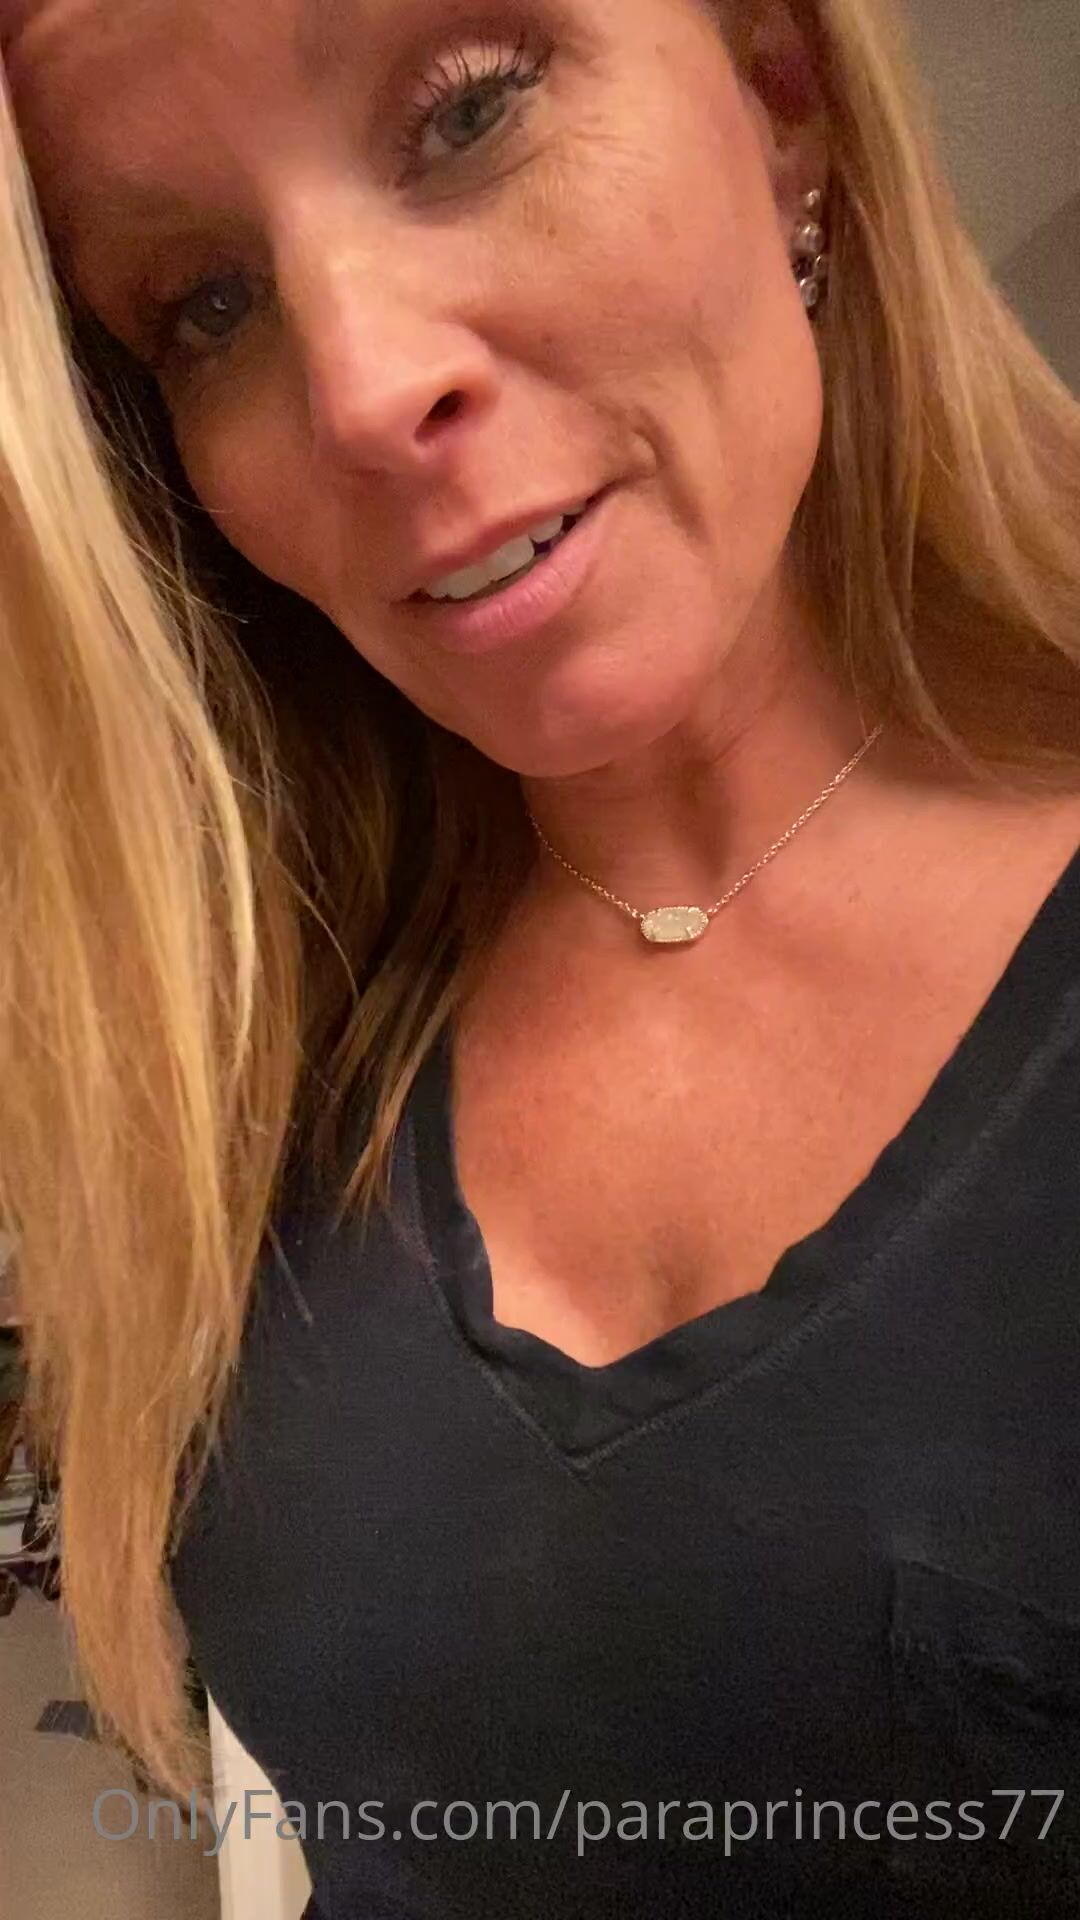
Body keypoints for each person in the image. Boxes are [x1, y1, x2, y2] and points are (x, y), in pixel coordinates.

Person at [2, 0, 1080, 1912]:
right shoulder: (267, 1050)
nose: (359, 390)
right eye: (207, 306)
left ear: (779, 89)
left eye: (468, 113)